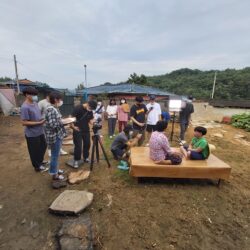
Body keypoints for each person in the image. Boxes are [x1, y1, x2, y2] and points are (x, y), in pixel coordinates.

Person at [20, 87, 47, 172]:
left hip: (40, 131)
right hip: (32, 133)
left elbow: (38, 115)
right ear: (27, 95)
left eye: (36, 94)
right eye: (34, 94)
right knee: (34, 151)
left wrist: (43, 118)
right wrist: (38, 123)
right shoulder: (25, 107)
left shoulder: (35, 103)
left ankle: (40, 161)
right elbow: (24, 122)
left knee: (43, 146)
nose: (35, 96)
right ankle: (37, 167)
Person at [45, 91, 66, 181]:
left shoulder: (54, 108)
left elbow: (56, 121)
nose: (61, 101)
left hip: (57, 135)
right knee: (54, 156)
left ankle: (55, 170)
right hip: (54, 136)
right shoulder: (51, 109)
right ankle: (54, 175)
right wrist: (64, 123)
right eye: (60, 99)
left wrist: (62, 121)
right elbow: (53, 124)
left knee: (56, 155)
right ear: (56, 99)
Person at [70, 100, 97, 168]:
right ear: (87, 104)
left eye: (91, 109)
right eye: (90, 108)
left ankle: (86, 158)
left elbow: (90, 119)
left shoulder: (90, 110)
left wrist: (94, 123)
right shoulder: (78, 108)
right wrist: (73, 127)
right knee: (78, 146)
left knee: (87, 144)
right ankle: (76, 160)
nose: (90, 110)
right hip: (77, 130)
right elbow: (71, 117)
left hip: (86, 130)